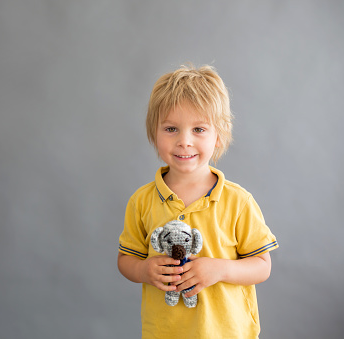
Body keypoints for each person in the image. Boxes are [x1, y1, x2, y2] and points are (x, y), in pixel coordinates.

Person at [117, 64, 278, 338]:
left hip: (227, 332)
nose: (184, 141)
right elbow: (126, 259)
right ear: (154, 133)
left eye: (199, 129)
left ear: (219, 135)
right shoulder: (141, 201)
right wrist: (144, 270)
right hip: (164, 332)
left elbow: (262, 266)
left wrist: (220, 268)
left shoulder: (238, 201)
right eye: (171, 129)